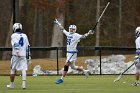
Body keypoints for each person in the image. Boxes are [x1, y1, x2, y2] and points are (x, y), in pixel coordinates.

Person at [54, 19, 94, 84]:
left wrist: (89, 33)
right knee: (73, 67)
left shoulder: (76, 35)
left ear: (75, 30)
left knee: (66, 65)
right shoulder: (68, 33)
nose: (71, 30)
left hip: (72, 53)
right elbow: (62, 29)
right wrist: (58, 23)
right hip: (68, 53)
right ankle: (85, 71)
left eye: (73, 29)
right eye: (70, 29)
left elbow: (83, 36)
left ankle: (61, 79)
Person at [7, 23, 31, 89]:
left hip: (16, 55)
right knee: (23, 69)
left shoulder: (13, 35)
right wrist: (28, 55)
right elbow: (28, 46)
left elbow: (15, 44)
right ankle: (24, 84)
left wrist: (18, 52)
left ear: (14, 28)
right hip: (23, 55)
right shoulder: (25, 35)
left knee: (12, 69)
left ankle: (11, 84)